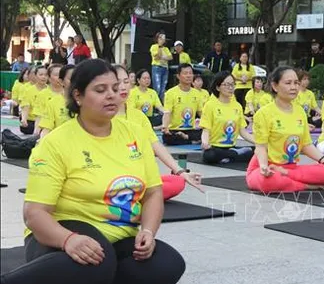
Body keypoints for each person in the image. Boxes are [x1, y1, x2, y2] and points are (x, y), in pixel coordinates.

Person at [0, 60, 186, 284]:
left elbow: (154, 193)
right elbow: (34, 214)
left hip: (119, 235)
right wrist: (68, 239)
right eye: (100, 90)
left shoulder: (135, 133)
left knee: (167, 263)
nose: (112, 96)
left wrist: (147, 231)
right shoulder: (55, 143)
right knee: (98, 261)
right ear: (78, 96)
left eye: (115, 89)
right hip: (59, 231)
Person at [246, 66, 324, 193]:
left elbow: (306, 145)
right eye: (288, 83)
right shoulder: (264, 113)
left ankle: (286, 177)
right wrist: (264, 166)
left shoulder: (300, 111)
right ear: (275, 86)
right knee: (268, 181)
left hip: (290, 168)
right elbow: (261, 147)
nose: (294, 87)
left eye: (296, 83)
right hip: (264, 167)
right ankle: (306, 186)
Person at [114, 64, 203, 199]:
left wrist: (180, 171)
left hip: (140, 176)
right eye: (117, 82)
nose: (123, 86)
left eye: (126, 82)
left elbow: (155, 144)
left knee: (177, 182)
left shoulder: (139, 116)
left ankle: (135, 194)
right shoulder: (102, 117)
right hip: (116, 175)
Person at [200, 72, 256, 165]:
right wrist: (205, 142)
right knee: (209, 155)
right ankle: (233, 155)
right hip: (215, 148)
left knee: (257, 152)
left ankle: (230, 155)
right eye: (226, 85)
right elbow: (206, 130)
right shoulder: (210, 105)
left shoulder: (237, 106)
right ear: (218, 87)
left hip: (231, 146)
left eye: (232, 85)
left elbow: (243, 132)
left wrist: (259, 142)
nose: (230, 88)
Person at [162, 63, 204, 146]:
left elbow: (201, 113)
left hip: (191, 129)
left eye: (190, 73)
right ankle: (190, 140)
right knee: (167, 137)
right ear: (178, 76)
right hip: (175, 129)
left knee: (206, 133)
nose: (188, 76)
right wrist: (165, 127)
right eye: (185, 73)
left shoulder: (197, 93)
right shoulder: (170, 93)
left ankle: (186, 137)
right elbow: (167, 113)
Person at [39, 65, 75, 138]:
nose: (75, 81)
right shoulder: (53, 102)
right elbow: (46, 128)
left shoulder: (86, 103)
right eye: (71, 79)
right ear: (61, 81)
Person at [20, 66, 48, 135]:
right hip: (32, 120)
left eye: (46, 75)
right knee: (26, 128)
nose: (43, 77)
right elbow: (26, 106)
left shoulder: (50, 90)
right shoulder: (29, 90)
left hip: (46, 121)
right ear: (35, 76)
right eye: (41, 75)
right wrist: (24, 119)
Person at [149, 32, 172, 101]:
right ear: (157, 38)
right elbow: (157, 57)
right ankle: (155, 105)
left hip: (165, 68)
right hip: (157, 67)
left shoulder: (166, 49)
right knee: (157, 87)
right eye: (161, 38)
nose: (162, 40)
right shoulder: (154, 46)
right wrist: (159, 46)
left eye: (163, 38)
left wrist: (163, 57)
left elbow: (170, 57)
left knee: (163, 88)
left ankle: (160, 105)